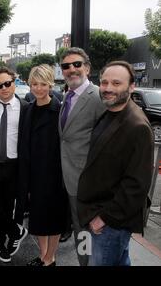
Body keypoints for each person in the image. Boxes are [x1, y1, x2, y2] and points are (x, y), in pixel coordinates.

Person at [77, 61, 153, 266]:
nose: (108, 88)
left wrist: (104, 218)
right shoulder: (110, 111)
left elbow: (136, 184)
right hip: (98, 214)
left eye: (116, 83)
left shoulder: (137, 126)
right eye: (104, 82)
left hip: (109, 222)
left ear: (131, 87)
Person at [58, 47, 106, 266]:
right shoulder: (68, 95)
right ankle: (84, 262)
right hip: (70, 180)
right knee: (81, 231)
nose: (72, 69)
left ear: (87, 67)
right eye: (66, 66)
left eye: (77, 64)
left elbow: (109, 140)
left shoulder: (97, 96)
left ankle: (88, 263)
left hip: (89, 183)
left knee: (90, 232)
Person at [19, 65, 68, 266]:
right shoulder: (28, 109)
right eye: (34, 84)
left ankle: (50, 257)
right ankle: (43, 255)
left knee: (54, 218)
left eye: (43, 84)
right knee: (38, 219)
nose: (38, 89)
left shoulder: (61, 110)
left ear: (50, 84)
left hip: (55, 174)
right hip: (33, 173)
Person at [0, 67, 29, 263]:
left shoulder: (26, 107)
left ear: (14, 81)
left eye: (7, 83)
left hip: (13, 165)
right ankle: (16, 230)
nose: (4, 88)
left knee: (6, 207)